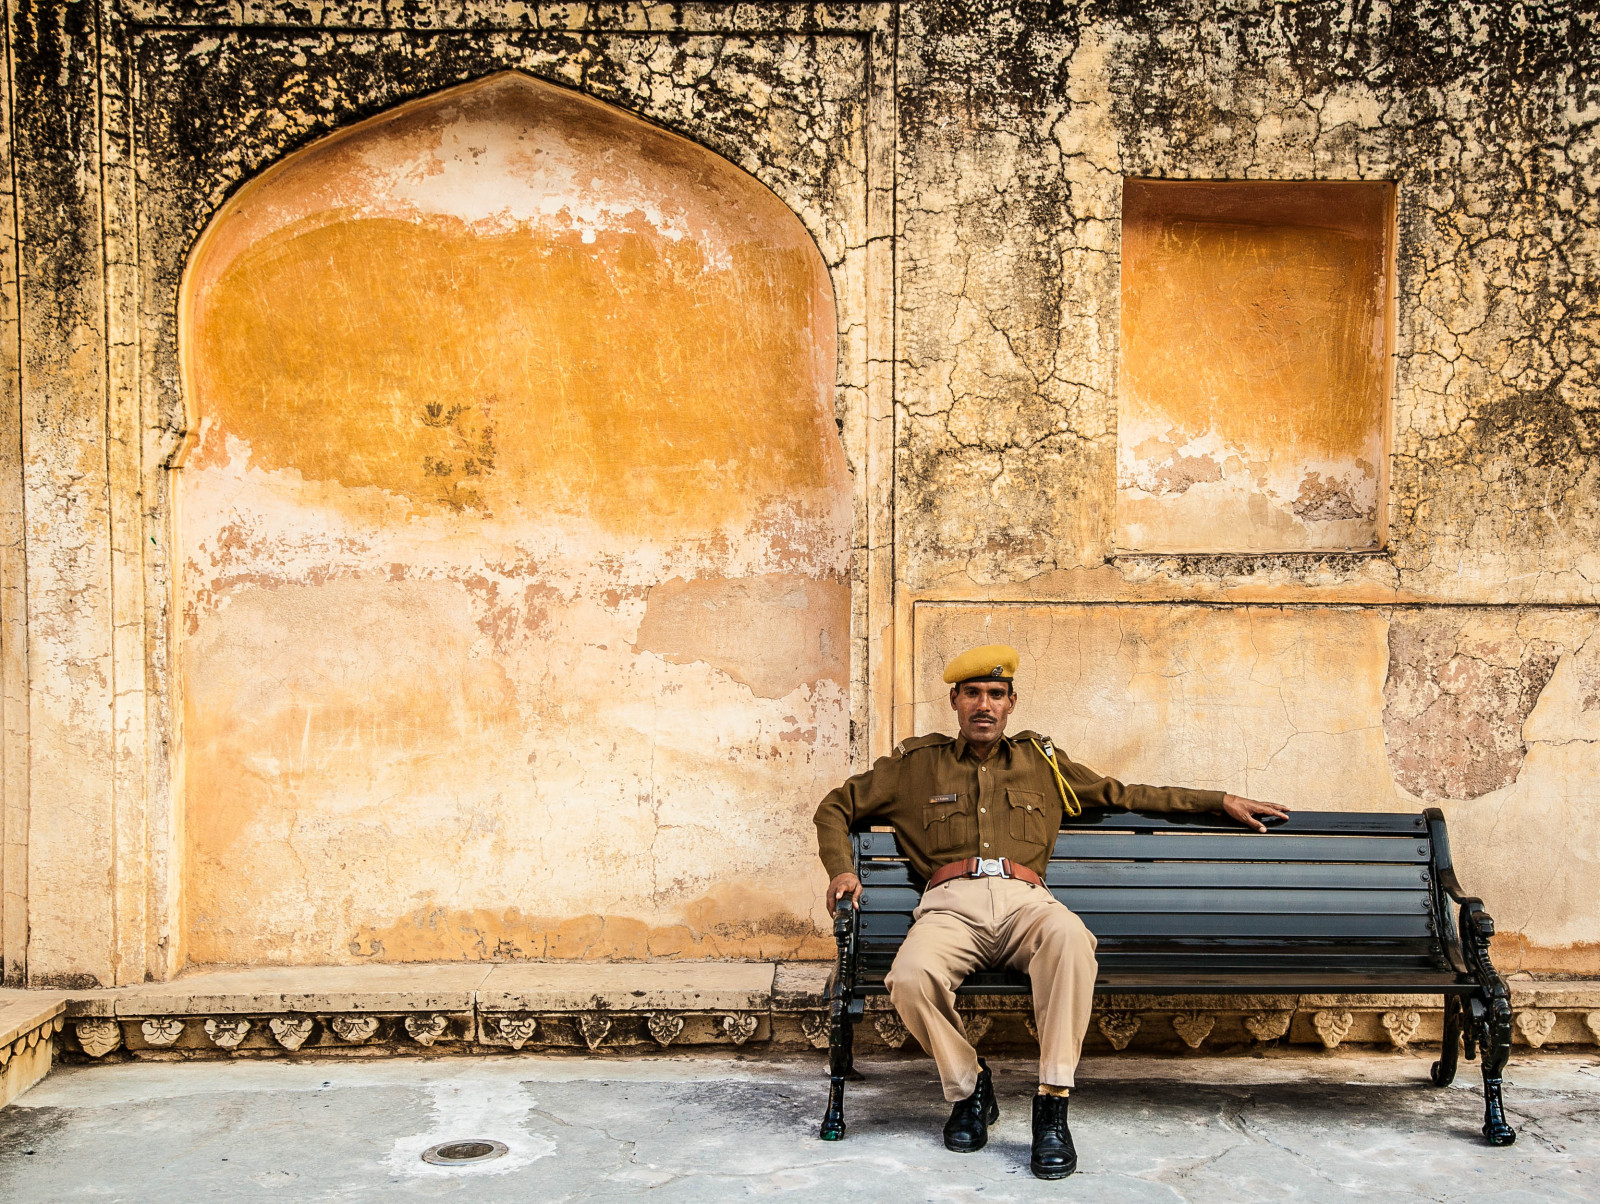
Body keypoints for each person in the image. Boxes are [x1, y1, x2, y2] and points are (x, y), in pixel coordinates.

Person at [812, 643, 1289, 1180]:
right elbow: (835, 806)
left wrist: (1217, 800)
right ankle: (969, 1088)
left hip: (1026, 904)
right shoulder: (915, 768)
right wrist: (841, 870)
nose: (984, 705)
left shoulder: (1042, 763)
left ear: (1012, 702)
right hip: (949, 908)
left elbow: (1123, 793)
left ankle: (1053, 1106)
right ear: (955, 701)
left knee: (1071, 940)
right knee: (910, 977)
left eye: (996, 694)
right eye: (973, 693)